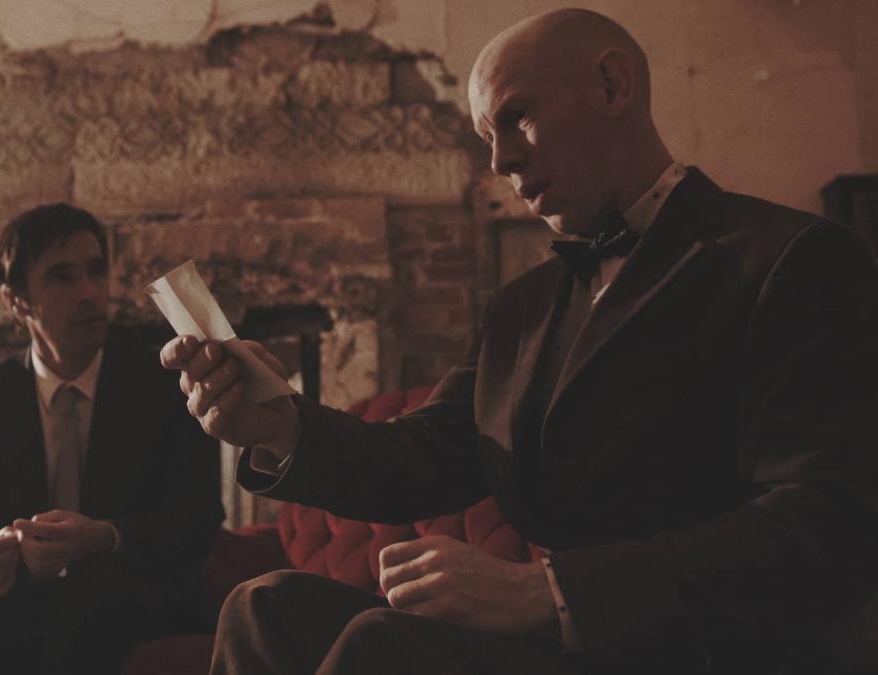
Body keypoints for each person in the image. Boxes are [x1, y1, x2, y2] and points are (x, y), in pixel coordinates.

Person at [160, 8, 878, 674]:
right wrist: (278, 422)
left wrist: (549, 591)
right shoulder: (523, 306)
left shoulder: (790, 260)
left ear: (612, 85)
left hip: (695, 646)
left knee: (381, 644)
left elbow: (831, 516)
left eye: (518, 117)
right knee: (264, 607)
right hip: (561, 647)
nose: (499, 160)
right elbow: (424, 457)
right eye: (486, 136)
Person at [0, 203, 224, 675]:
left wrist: (104, 538)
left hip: (135, 594)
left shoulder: (168, 386)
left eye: (96, 271)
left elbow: (197, 521)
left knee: (87, 595)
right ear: (16, 302)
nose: (89, 292)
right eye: (61, 277)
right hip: (19, 596)